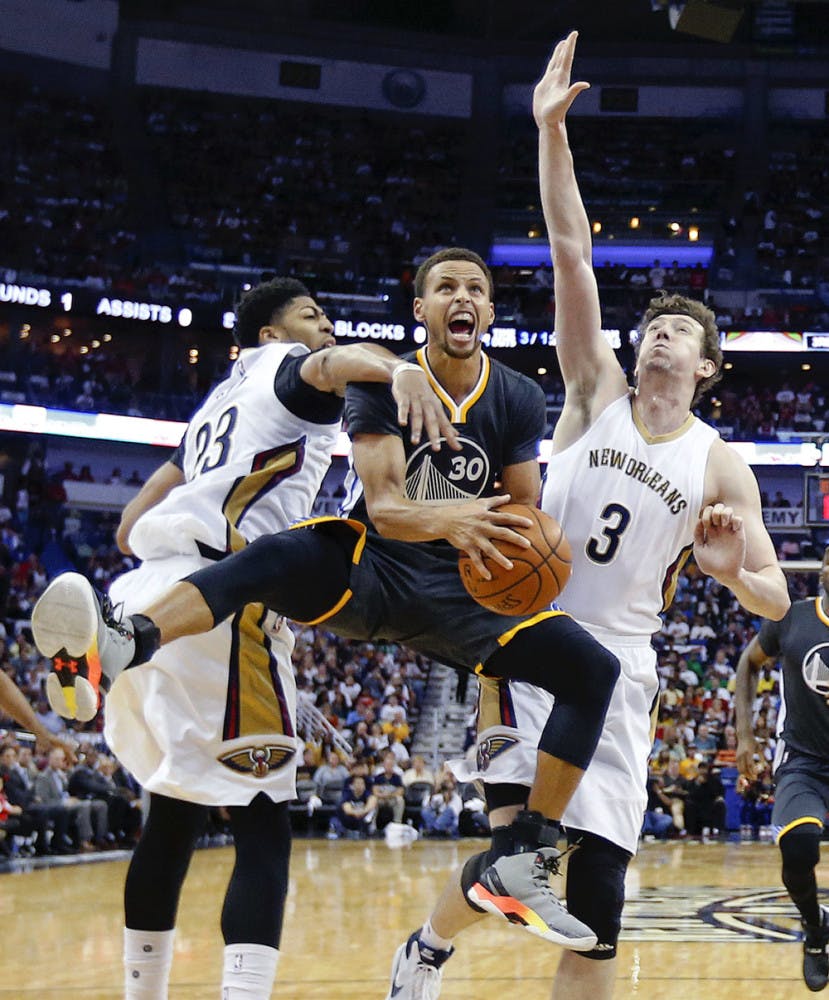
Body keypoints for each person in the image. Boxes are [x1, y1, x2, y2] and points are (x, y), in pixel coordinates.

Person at [34, 247, 623, 953]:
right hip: (375, 567)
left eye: (475, 288)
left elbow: (520, 508)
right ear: (422, 309)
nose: (462, 297)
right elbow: (388, 509)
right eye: (445, 287)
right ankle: (130, 638)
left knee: (592, 669)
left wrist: (514, 540)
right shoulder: (382, 381)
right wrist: (458, 514)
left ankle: (525, 853)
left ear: (490, 311)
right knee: (276, 554)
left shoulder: (518, 395)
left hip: (463, 587)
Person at [384, 32, 790, 1000]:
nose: (658, 338)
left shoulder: (718, 462)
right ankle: (427, 948)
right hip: (528, 631)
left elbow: (776, 601)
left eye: (678, 333)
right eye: (652, 327)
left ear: (706, 366)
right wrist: (550, 133)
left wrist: (730, 571)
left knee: (599, 910)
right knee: (515, 860)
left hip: (623, 664)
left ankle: (443, 946)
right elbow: (571, 250)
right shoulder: (593, 389)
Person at [34, 275, 456, 1000]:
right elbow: (336, 364)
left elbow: (129, 527)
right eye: (312, 315)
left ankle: (110, 647)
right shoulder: (286, 369)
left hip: (145, 587)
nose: (327, 325)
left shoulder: (215, 404)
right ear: (271, 334)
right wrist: (401, 369)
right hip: (220, 603)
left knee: (172, 814)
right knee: (263, 824)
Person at [735, 545, 829, 992]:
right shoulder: (791, 616)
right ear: (822, 570)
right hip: (803, 761)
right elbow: (748, 664)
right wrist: (745, 736)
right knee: (798, 845)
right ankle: (815, 929)